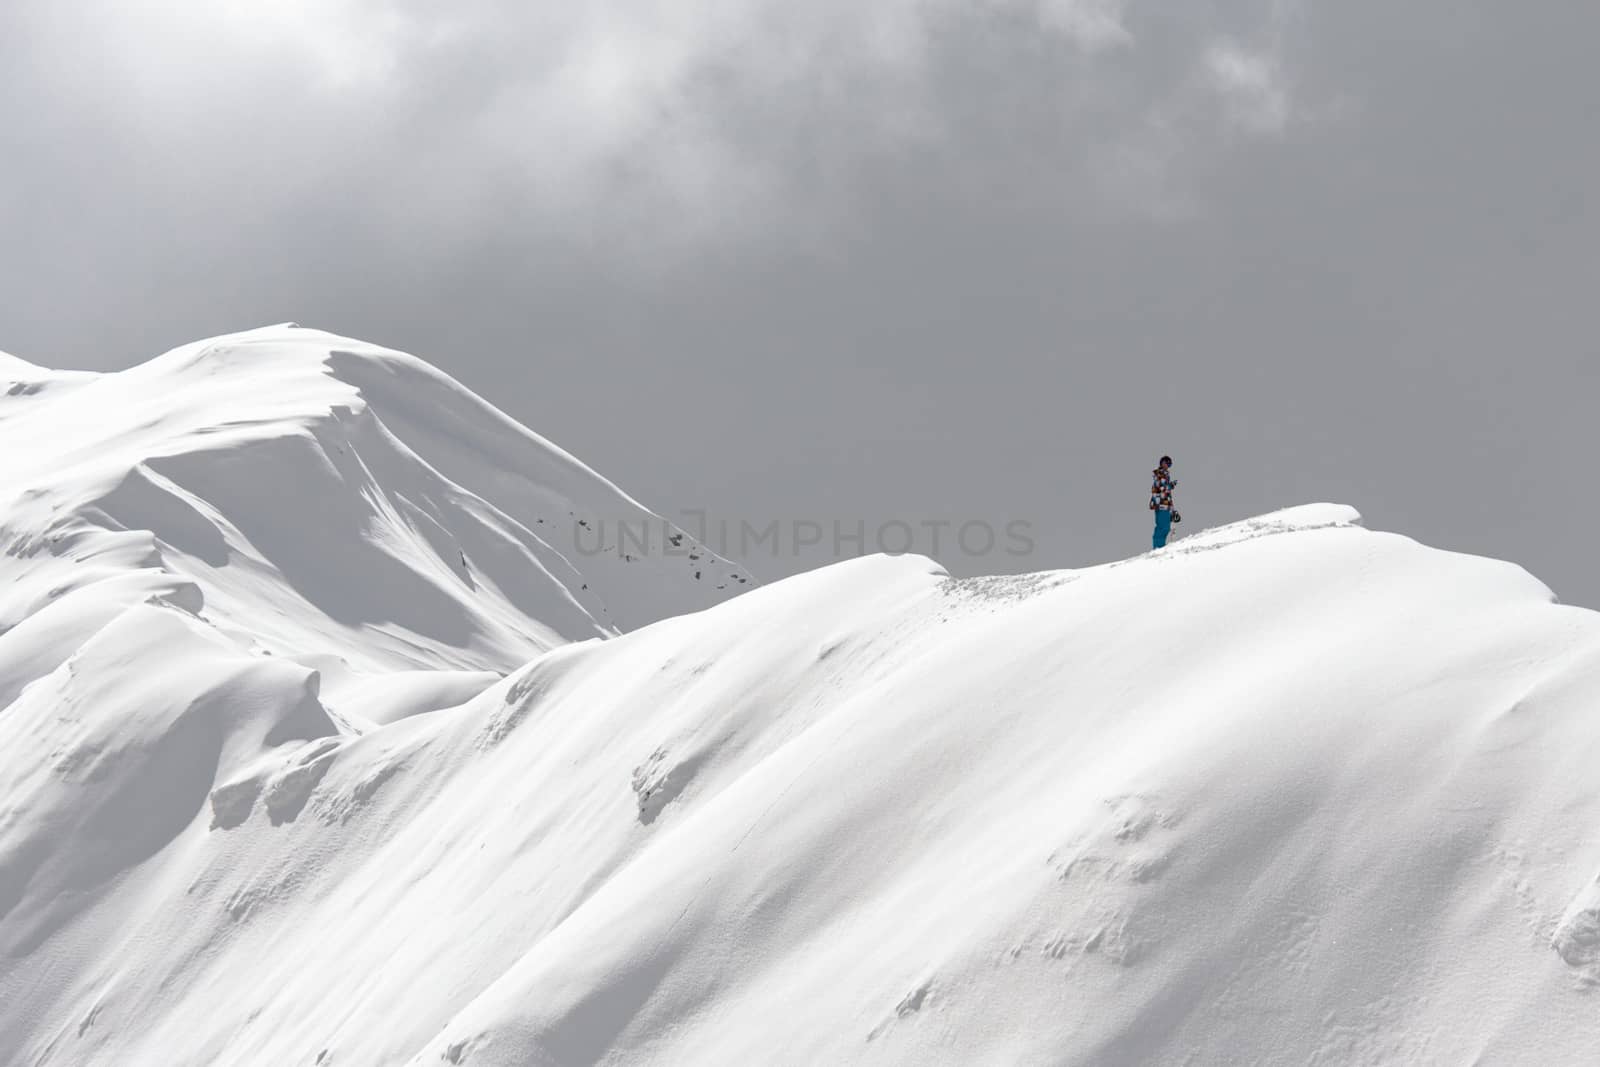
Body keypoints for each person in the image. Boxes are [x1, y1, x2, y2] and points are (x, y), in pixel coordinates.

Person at [1149, 455, 1181, 548]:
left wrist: (1172, 510)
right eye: (1167, 463)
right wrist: (1171, 485)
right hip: (1161, 504)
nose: (1168, 465)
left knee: (1165, 527)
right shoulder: (1160, 474)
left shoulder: (1165, 475)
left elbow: (1167, 495)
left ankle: (1159, 547)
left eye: (1170, 464)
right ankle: (1158, 548)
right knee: (1162, 527)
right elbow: (1162, 488)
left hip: (1165, 505)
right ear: (1162, 463)